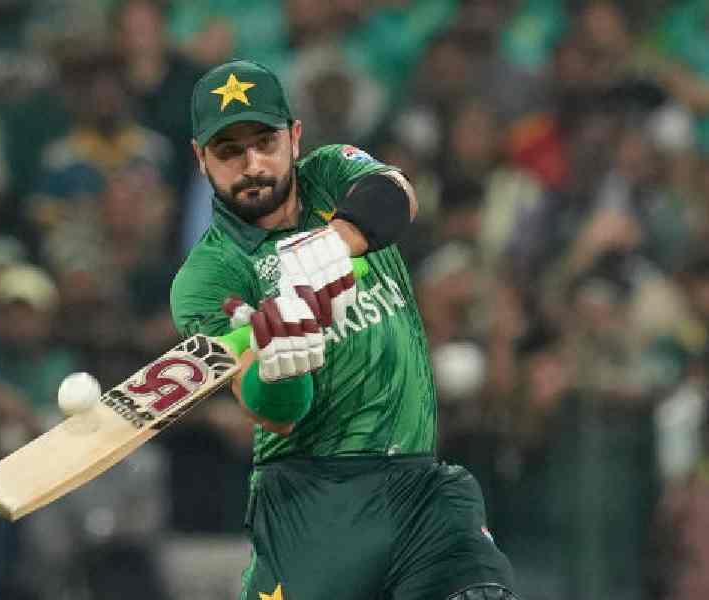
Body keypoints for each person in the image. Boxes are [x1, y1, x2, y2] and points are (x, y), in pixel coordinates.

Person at [171, 59, 519, 600]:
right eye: (229, 151)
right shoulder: (206, 276)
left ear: (295, 136)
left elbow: (398, 194)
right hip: (310, 502)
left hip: (419, 485)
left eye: (266, 141)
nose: (253, 164)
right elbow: (271, 413)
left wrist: (334, 243)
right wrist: (281, 361)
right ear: (200, 158)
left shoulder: (332, 174)